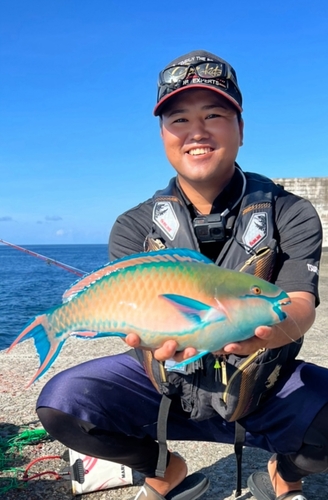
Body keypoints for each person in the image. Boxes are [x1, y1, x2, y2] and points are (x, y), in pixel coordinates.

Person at [36, 50, 327, 500]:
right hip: (168, 386)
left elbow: (299, 300)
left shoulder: (291, 212)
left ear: (241, 129)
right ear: (163, 135)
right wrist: (146, 334)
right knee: (64, 404)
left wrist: (268, 333)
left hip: (264, 384)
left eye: (214, 114)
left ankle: (283, 475)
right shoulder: (134, 226)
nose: (197, 131)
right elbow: (133, 312)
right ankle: (164, 469)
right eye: (179, 120)